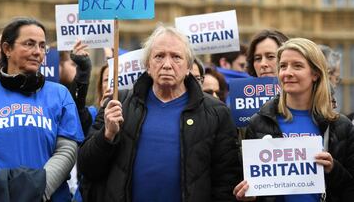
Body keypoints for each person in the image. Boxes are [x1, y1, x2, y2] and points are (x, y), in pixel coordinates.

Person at [78, 25, 241, 202]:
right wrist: (107, 135)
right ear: (148, 65)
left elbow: (226, 183)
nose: (167, 64)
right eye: (159, 56)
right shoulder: (118, 104)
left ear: (188, 67)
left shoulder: (217, 113)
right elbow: (87, 168)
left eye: (176, 57)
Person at [0, 17, 84, 201]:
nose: (38, 52)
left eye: (42, 46)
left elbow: (66, 150)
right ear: (7, 49)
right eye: (30, 44)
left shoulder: (60, 95)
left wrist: (39, 189)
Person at [234, 38, 354, 201]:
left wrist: (333, 169)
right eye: (283, 66)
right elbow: (253, 186)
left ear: (315, 73)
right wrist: (250, 196)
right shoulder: (259, 122)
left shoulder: (341, 126)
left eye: (297, 66)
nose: (287, 72)